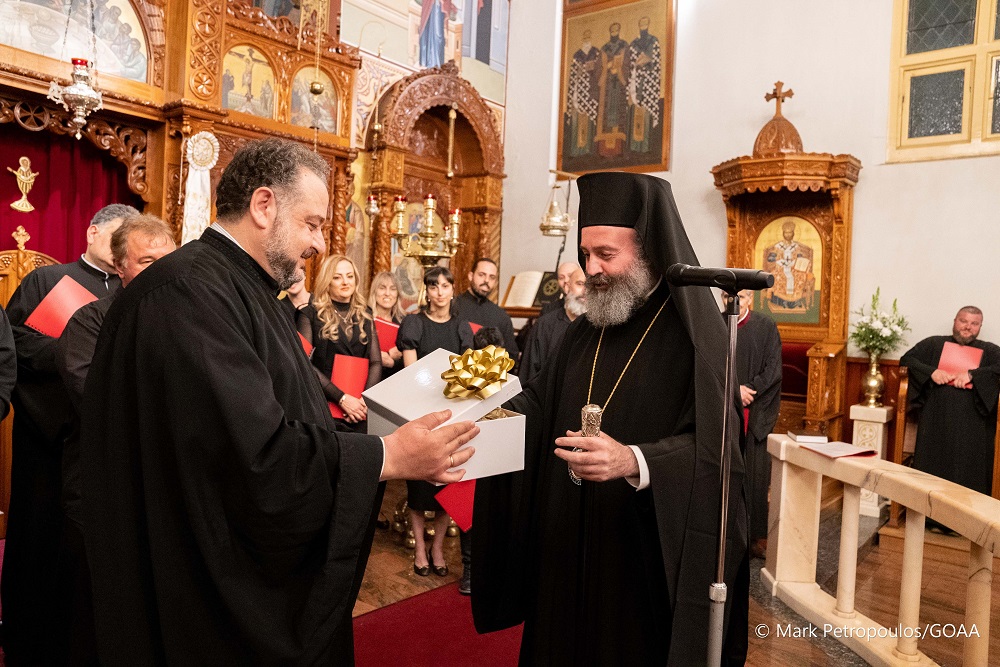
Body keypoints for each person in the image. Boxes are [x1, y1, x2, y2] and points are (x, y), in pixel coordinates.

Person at [78, 138, 478, 664]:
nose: (318, 243)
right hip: (201, 593)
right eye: (311, 223)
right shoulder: (191, 294)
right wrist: (390, 456)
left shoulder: (237, 287)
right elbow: (256, 456)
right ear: (264, 206)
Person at [473, 172, 748, 665]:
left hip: (637, 558)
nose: (590, 269)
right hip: (565, 543)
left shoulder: (692, 338)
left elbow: (716, 451)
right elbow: (537, 403)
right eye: (585, 254)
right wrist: (476, 407)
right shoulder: (585, 331)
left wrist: (635, 461)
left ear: (649, 251)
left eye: (606, 254)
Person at [1, 202, 138, 664]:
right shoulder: (47, 280)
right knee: (38, 538)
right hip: (48, 434)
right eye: (117, 236)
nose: (122, 249)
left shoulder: (131, 292)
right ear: (92, 232)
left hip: (96, 442)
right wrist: (72, 345)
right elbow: (14, 340)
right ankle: (26, 635)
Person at [52, 214, 176, 664]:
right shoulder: (89, 323)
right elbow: (94, 398)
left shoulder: (189, 319)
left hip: (165, 494)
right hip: (101, 491)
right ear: (120, 268)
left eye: (167, 259)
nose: (160, 268)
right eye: (146, 261)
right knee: (96, 613)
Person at [398, 266, 475, 578]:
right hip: (421, 413)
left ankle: (438, 548)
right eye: (434, 286)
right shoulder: (414, 322)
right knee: (419, 487)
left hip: (454, 412)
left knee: (448, 486)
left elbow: (468, 371)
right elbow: (410, 373)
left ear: (452, 290)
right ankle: (419, 548)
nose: (440, 291)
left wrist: (453, 397)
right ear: (426, 291)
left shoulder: (461, 326)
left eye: (445, 285)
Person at [900, 306, 1000, 497]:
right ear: (955, 321)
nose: (968, 327)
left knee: (968, 468)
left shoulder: (989, 350)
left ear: (980, 326)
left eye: (974, 323)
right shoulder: (934, 344)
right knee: (933, 465)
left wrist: (973, 375)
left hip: (974, 425)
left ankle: (966, 521)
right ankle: (930, 519)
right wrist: (932, 372)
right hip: (936, 419)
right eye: (964, 321)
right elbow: (907, 359)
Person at [724, 289, 781, 560]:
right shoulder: (714, 323)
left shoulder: (765, 327)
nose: (735, 302)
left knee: (756, 479)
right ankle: (725, 534)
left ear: (751, 299)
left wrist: (749, 390)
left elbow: (773, 369)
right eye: (727, 297)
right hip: (724, 411)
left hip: (755, 411)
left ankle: (754, 538)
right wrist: (734, 390)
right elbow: (708, 365)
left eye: (742, 297)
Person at [298, 254, 381, 432]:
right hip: (323, 405)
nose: (345, 282)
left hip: (360, 410)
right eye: (337, 277)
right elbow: (303, 363)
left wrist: (363, 401)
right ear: (327, 281)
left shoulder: (365, 313)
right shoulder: (309, 314)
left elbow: (376, 362)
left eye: (349, 276)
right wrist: (342, 399)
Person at [519, 266, 587, 384]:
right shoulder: (544, 326)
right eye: (580, 284)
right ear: (567, 287)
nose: (586, 291)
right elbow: (528, 375)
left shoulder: (602, 327)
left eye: (592, 286)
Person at [454, 257, 518, 355]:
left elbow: (511, 354)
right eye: (481, 275)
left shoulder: (501, 316)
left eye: (492, 277)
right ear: (471, 276)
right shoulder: (453, 307)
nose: (486, 280)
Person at [762, 220, 814, 311]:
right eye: (786, 233)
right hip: (780, 268)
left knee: (800, 276)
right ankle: (780, 301)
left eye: (790, 233)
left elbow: (800, 258)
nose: (788, 235)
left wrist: (797, 262)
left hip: (793, 268)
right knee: (778, 277)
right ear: (783, 233)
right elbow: (770, 259)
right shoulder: (778, 246)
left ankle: (794, 302)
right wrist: (778, 261)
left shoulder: (796, 247)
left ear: (793, 234)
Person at [368, 271, 405, 378]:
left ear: (397, 294)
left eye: (393, 289)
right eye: (382, 288)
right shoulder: (364, 317)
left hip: (393, 381)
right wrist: (375, 356)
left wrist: (394, 362)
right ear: (374, 291)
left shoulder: (405, 323)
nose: (387, 293)